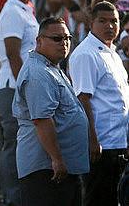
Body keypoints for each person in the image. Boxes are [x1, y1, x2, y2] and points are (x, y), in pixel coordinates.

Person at [13, 17, 89, 206]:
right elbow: (42, 119)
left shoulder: (52, 67)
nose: (64, 43)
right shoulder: (39, 73)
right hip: (46, 169)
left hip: (59, 167)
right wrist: (56, 159)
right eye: (57, 39)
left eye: (67, 38)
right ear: (39, 41)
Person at [68, 1, 129, 206]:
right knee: (98, 199)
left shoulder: (113, 53)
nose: (109, 26)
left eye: (114, 21)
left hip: (117, 141)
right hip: (101, 144)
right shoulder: (87, 54)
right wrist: (92, 140)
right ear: (91, 23)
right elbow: (83, 100)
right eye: (102, 21)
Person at [0, 0, 39, 206]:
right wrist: (26, 90)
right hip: (14, 86)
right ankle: (12, 197)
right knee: (14, 143)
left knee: (22, 143)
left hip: (17, 83)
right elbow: (12, 53)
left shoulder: (24, 9)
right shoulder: (12, 10)